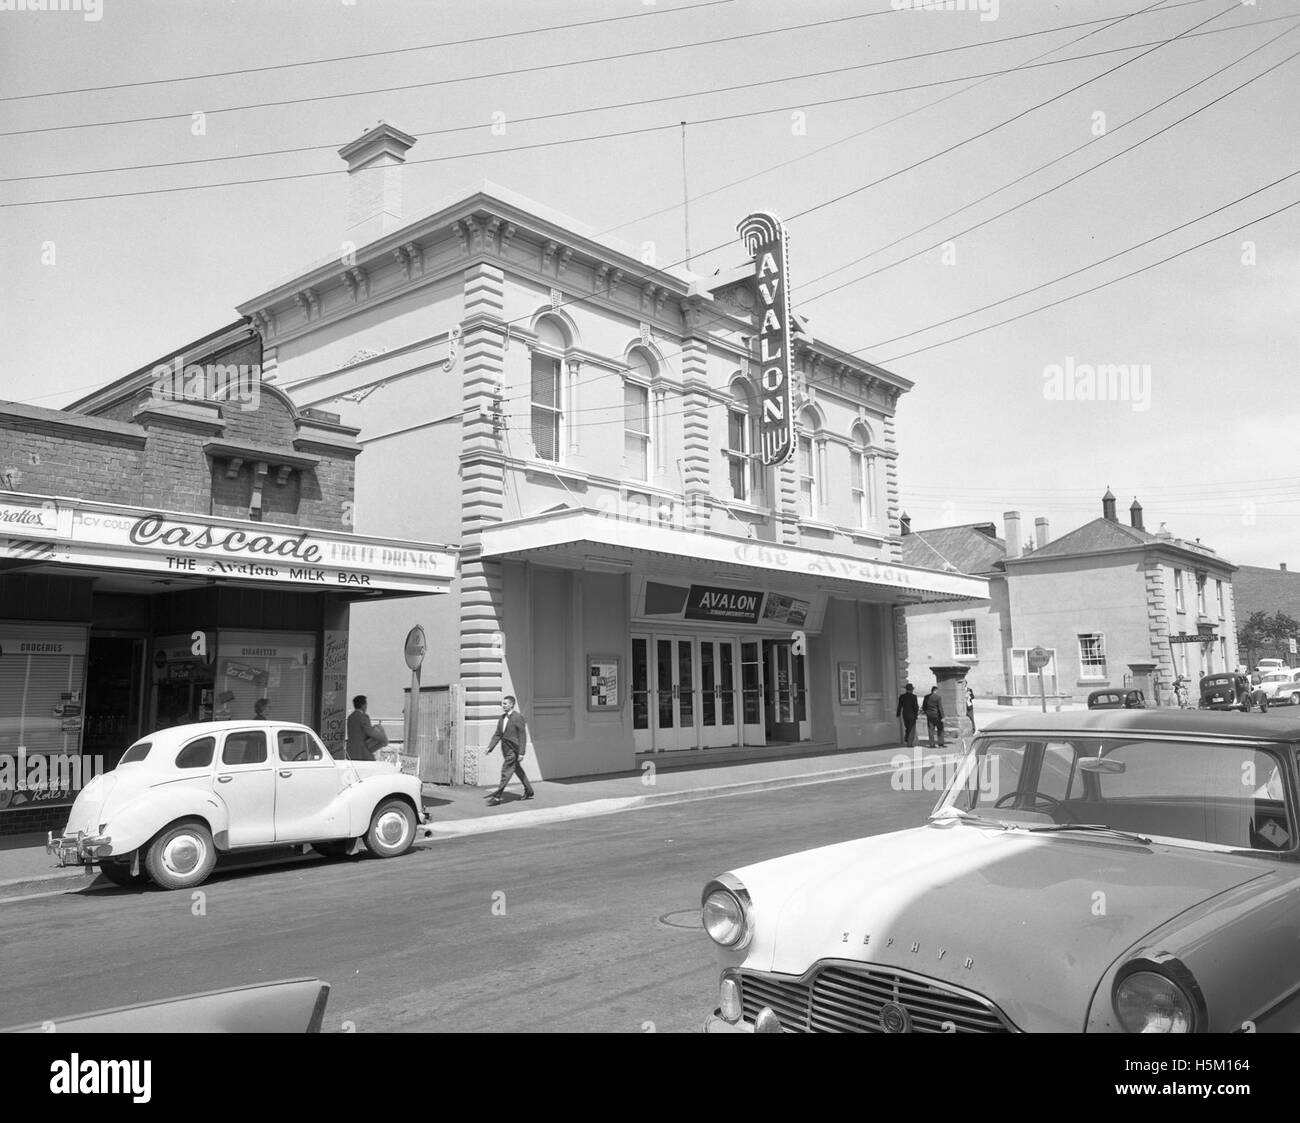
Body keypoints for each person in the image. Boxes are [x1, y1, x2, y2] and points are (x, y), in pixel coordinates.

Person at [486, 694, 534, 804]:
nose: (502, 705)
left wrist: (521, 752)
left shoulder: (518, 717)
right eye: (502, 703)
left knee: (506, 771)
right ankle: (529, 791)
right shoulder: (502, 718)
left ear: (511, 705)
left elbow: (523, 735)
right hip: (505, 749)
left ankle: (497, 797)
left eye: (505, 703)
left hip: (514, 750)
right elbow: (498, 734)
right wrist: (490, 747)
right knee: (517, 770)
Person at [346, 695, 388, 761]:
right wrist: (384, 738)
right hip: (361, 751)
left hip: (350, 750)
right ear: (363, 705)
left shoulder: (350, 717)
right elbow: (370, 732)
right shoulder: (363, 717)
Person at [895, 683, 919, 748]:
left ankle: (907, 738)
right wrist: (916, 715)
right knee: (912, 729)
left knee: (907, 728)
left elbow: (899, 706)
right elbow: (916, 707)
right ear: (911, 690)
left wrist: (898, 714)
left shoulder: (902, 696)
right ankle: (909, 743)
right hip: (912, 715)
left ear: (906, 689)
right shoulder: (914, 697)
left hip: (905, 715)